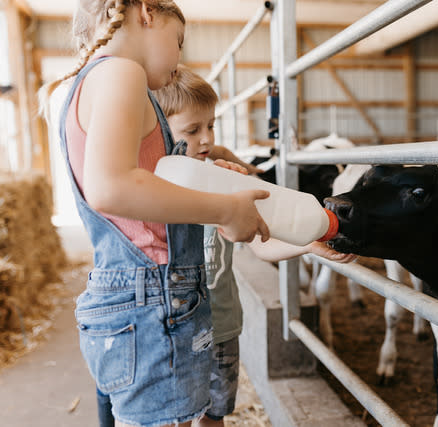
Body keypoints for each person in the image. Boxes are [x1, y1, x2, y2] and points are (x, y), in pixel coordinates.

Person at [39, 2, 270, 427]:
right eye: (178, 41)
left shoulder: (89, 83)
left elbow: (137, 183)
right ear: (145, 12)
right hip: (152, 297)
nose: (179, 57)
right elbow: (111, 187)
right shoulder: (119, 71)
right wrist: (224, 209)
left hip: (138, 294)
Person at [151, 64, 355, 427]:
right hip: (174, 331)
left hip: (224, 327)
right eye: (192, 130)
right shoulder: (151, 191)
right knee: (176, 419)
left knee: (216, 416)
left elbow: (261, 245)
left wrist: (307, 246)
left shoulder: (224, 179)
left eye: (210, 126)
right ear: (159, 129)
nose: (206, 139)